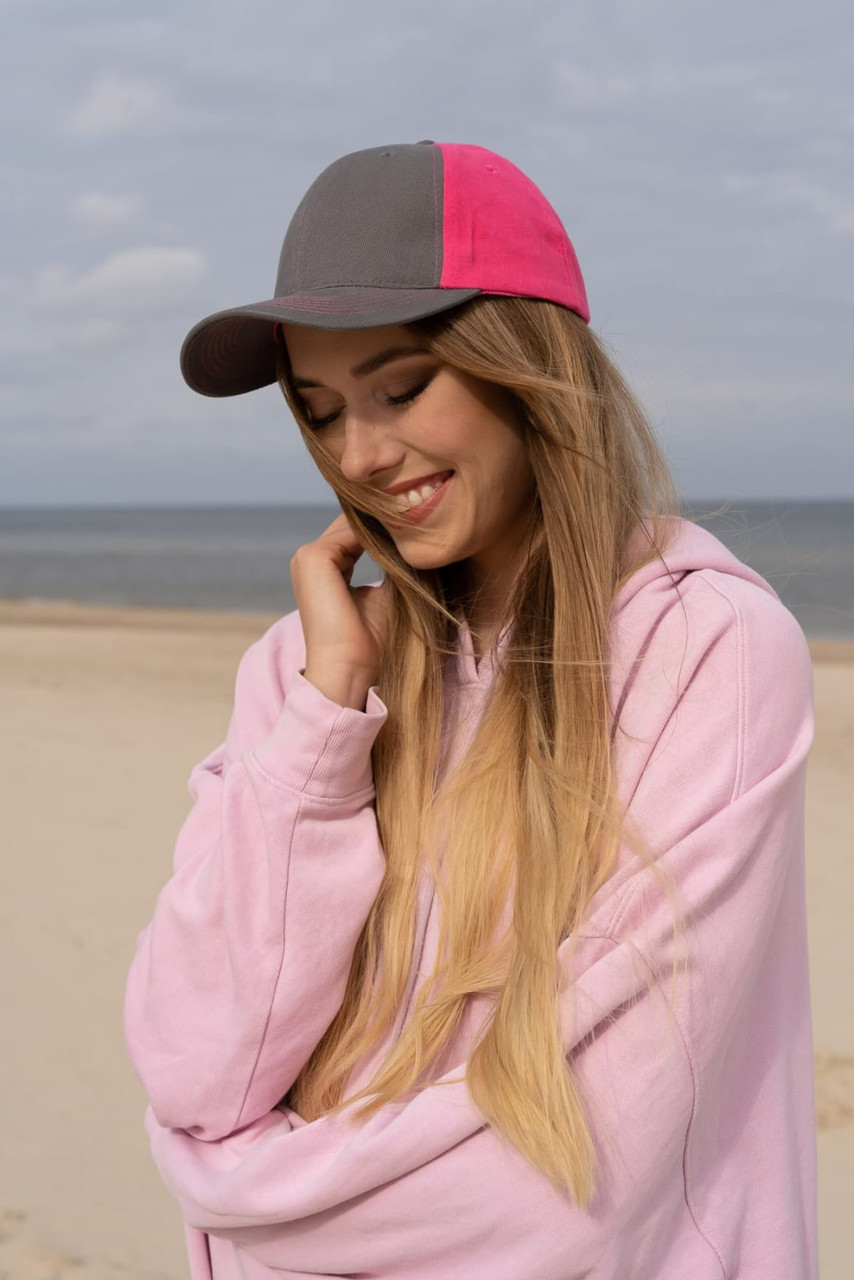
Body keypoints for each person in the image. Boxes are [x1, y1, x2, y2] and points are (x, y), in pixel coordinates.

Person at [123, 141, 818, 1279]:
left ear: (525, 365)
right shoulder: (303, 674)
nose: (359, 453)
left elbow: (571, 1175)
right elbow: (194, 1064)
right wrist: (322, 728)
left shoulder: (701, 653)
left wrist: (244, 1193)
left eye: (400, 389)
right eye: (321, 409)